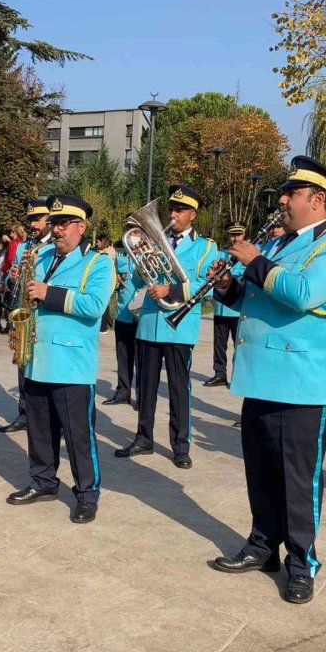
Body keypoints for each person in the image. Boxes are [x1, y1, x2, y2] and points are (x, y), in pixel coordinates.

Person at [207, 156, 326, 604]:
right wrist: (227, 287)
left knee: (298, 478)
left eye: (291, 194)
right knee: (261, 471)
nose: (283, 202)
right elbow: (256, 299)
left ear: (317, 199)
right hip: (262, 376)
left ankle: (302, 562)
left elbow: (303, 295)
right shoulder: (277, 245)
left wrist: (255, 261)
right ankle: (262, 545)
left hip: (306, 384)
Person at [5, 194, 115, 524]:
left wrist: (47, 292)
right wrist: (16, 281)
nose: (56, 230)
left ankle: (87, 494)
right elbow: (23, 296)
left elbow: (94, 306)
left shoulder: (97, 263)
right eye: (54, 223)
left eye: (64, 224)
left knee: (79, 435)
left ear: (81, 226)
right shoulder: (39, 255)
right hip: (37, 358)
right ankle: (43, 482)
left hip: (71, 365)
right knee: (39, 430)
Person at [115, 184, 219, 469]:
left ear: (193, 214)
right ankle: (143, 438)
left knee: (178, 389)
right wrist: (140, 261)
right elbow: (139, 280)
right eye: (171, 209)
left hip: (180, 325)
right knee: (145, 386)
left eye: (180, 210)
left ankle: (181, 445)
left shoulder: (206, 247)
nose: (173, 214)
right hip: (149, 323)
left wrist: (171, 290)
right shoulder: (154, 240)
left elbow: (208, 286)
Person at [0, 198, 52, 434]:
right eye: (30, 219)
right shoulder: (23, 247)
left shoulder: (56, 248)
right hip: (24, 312)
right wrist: (11, 277)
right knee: (23, 363)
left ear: (49, 220)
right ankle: (24, 413)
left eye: (37, 219)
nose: (32, 224)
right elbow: (9, 280)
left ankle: (49, 418)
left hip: (45, 315)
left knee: (46, 368)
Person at [204, 221, 247, 387]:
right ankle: (219, 374)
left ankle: (238, 376)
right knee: (219, 345)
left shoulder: (247, 255)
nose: (235, 238)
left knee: (239, 345)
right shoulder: (221, 254)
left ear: (244, 234)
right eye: (232, 235)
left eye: (239, 234)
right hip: (221, 309)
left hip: (237, 310)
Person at [103, 245, 139, 407]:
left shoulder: (152, 255)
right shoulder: (121, 257)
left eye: (137, 233)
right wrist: (116, 282)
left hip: (142, 314)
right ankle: (123, 392)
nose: (134, 237)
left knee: (142, 359)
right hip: (123, 313)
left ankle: (142, 396)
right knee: (123, 356)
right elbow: (114, 283)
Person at [95, 233, 117, 333]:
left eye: (97, 242)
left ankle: (102, 327)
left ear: (102, 241)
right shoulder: (112, 251)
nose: (96, 244)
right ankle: (103, 327)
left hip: (104, 280)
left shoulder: (105, 253)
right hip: (109, 280)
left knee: (101, 303)